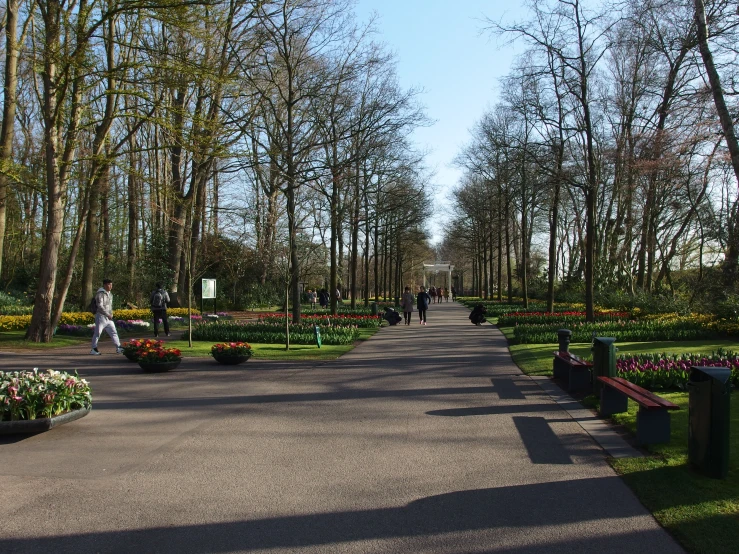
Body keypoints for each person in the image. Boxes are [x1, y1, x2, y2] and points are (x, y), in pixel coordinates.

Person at [90, 279, 124, 355]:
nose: (111, 286)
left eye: (111, 284)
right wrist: (107, 314)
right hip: (101, 316)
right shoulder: (100, 294)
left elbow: (110, 306)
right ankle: (94, 349)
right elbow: (100, 306)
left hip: (108, 318)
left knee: (114, 332)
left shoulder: (110, 294)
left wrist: (111, 314)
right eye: (109, 284)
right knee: (97, 333)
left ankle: (119, 347)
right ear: (105, 285)